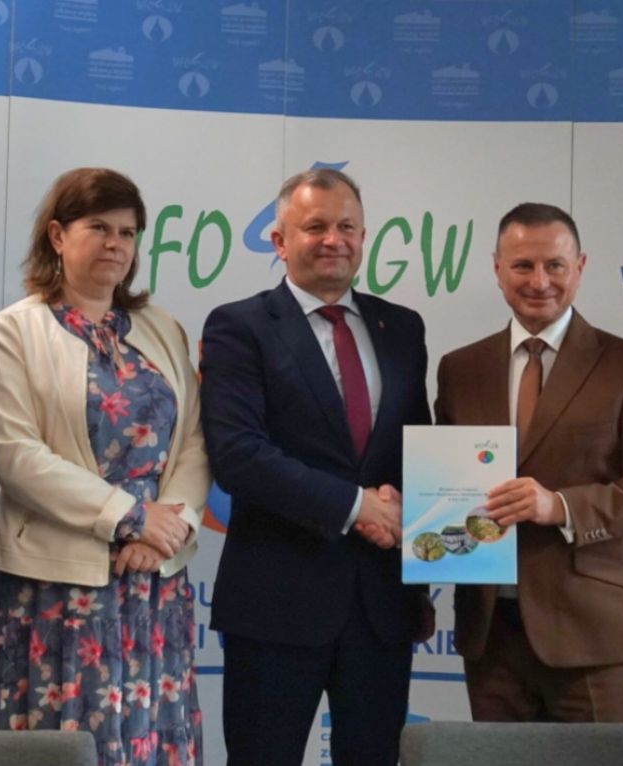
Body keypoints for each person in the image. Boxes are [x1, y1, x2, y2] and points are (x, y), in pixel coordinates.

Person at [0, 168, 209, 765]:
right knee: (61, 744)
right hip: (58, 585)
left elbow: (194, 441)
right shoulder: (13, 331)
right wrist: (131, 517)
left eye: (127, 233)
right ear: (57, 235)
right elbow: (15, 453)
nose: (115, 244)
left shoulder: (163, 328)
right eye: (98, 228)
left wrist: (169, 528)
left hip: (153, 579)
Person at [199, 168, 431, 766]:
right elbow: (239, 456)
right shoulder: (239, 326)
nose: (334, 240)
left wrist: (416, 524)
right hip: (276, 605)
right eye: (316, 227)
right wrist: (358, 507)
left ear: (364, 237)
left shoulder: (403, 328)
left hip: (381, 607)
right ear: (280, 241)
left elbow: (419, 450)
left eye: (347, 227)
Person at [433, 202, 623, 724]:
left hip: (594, 635)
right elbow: (446, 484)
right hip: (491, 636)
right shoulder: (460, 368)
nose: (539, 281)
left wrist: (561, 506)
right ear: (497, 269)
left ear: (580, 267)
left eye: (555, 265)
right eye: (522, 265)